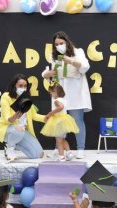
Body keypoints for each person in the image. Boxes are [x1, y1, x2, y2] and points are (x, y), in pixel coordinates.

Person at [42, 31, 92, 159]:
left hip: (75, 91)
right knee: (58, 121)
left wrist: (71, 61)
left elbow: (85, 67)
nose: (59, 45)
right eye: (57, 44)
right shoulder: (53, 56)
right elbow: (50, 74)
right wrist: (46, 75)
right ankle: (58, 149)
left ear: (67, 41)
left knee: (77, 120)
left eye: (61, 43)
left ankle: (80, 149)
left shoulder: (77, 52)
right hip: (60, 92)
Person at [0, 74, 46, 161]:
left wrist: (46, 118)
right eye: (20, 86)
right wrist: (15, 116)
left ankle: (15, 144)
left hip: (22, 131)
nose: (23, 88)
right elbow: (7, 118)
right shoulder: (6, 97)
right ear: (14, 85)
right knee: (19, 129)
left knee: (38, 154)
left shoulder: (26, 99)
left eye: (25, 86)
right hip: (9, 129)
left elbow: (34, 115)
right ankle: (9, 148)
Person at [41, 82, 79, 161]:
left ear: (55, 91)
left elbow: (60, 107)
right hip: (64, 120)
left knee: (58, 141)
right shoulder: (64, 100)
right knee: (62, 139)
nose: (51, 95)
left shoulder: (56, 101)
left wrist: (51, 113)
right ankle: (69, 153)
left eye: (51, 93)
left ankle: (61, 157)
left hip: (58, 121)